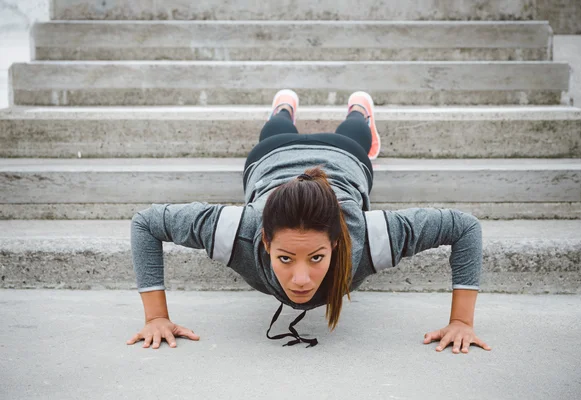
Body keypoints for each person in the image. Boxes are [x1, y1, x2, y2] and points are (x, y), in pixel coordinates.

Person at [127, 90, 492, 353]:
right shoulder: (237, 231)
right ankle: (283, 108)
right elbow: (146, 223)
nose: (300, 280)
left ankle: (359, 110)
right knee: (275, 132)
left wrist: (461, 322)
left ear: (336, 242)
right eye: (285, 258)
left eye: (316, 258)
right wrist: (156, 316)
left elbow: (464, 228)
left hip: (342, 156)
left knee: (354, 134)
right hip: (272, 156)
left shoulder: (370, 236)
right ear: (265, 241)